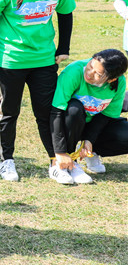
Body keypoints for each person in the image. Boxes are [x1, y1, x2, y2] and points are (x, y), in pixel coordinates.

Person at [0, 0, 75, 182]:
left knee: (47, 112)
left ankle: (55, 161)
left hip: (44, 59)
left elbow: (66, 13)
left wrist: (63, 47)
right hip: (11, 59)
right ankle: (7, 161)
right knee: (9, 111)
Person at [49, 50, 128, 184]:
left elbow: (105, 116)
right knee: (74, 109)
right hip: (70, 123)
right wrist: (60, 152)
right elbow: (56, 112)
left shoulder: (119, 83)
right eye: (90, 66)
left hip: (93, 124)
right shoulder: (74, 71)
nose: (90, 73)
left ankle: (91, 152)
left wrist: (89, 140)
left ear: (111, 79)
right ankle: (61, 165)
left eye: (97, 74)